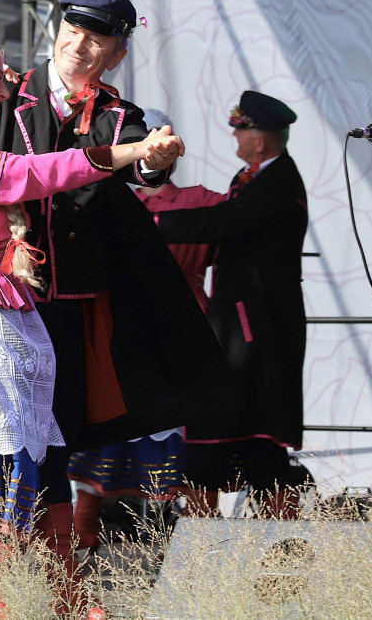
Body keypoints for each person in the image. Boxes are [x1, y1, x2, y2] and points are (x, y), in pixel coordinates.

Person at [0, 0, 233, 617]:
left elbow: (138, 161)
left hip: (72, 302)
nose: (80, 45)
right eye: (74, 29)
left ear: (118, 52)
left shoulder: (119, 113)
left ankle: (60, 593)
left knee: (52, 445)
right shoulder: (1, 91)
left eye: (99, 38)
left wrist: (150, 158)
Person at [67, 109, 225, 550]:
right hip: (117, 320)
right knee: (107, 414)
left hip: (176, 320)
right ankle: (82, 529)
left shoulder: (200, 200)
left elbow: (233, 234)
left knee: (186, 425)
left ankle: (201, 537)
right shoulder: (93, 196)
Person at [155, 90, 309, 518]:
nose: (237, 142)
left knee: (248, 423)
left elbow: (220, 223)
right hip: (241, 322)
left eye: (242, 134)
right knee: (239, 427)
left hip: (258, 326)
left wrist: (152, 222)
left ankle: (253, 533)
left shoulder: (276, 184)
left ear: (259, 140)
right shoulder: (252, 178)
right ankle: (213, 536)